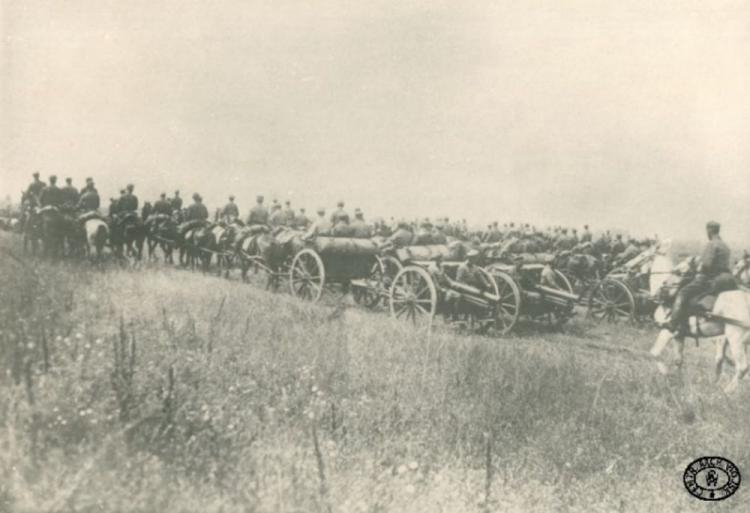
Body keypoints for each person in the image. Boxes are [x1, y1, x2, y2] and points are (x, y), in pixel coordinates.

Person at [664, 221, 735, 335]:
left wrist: (698, 269)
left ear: (710, 230)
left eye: (707, 230)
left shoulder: (711, 244)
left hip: (709, 278)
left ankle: (673, 323)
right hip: (724, 279)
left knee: (683, 292)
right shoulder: (725, 246)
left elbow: (707, 264)